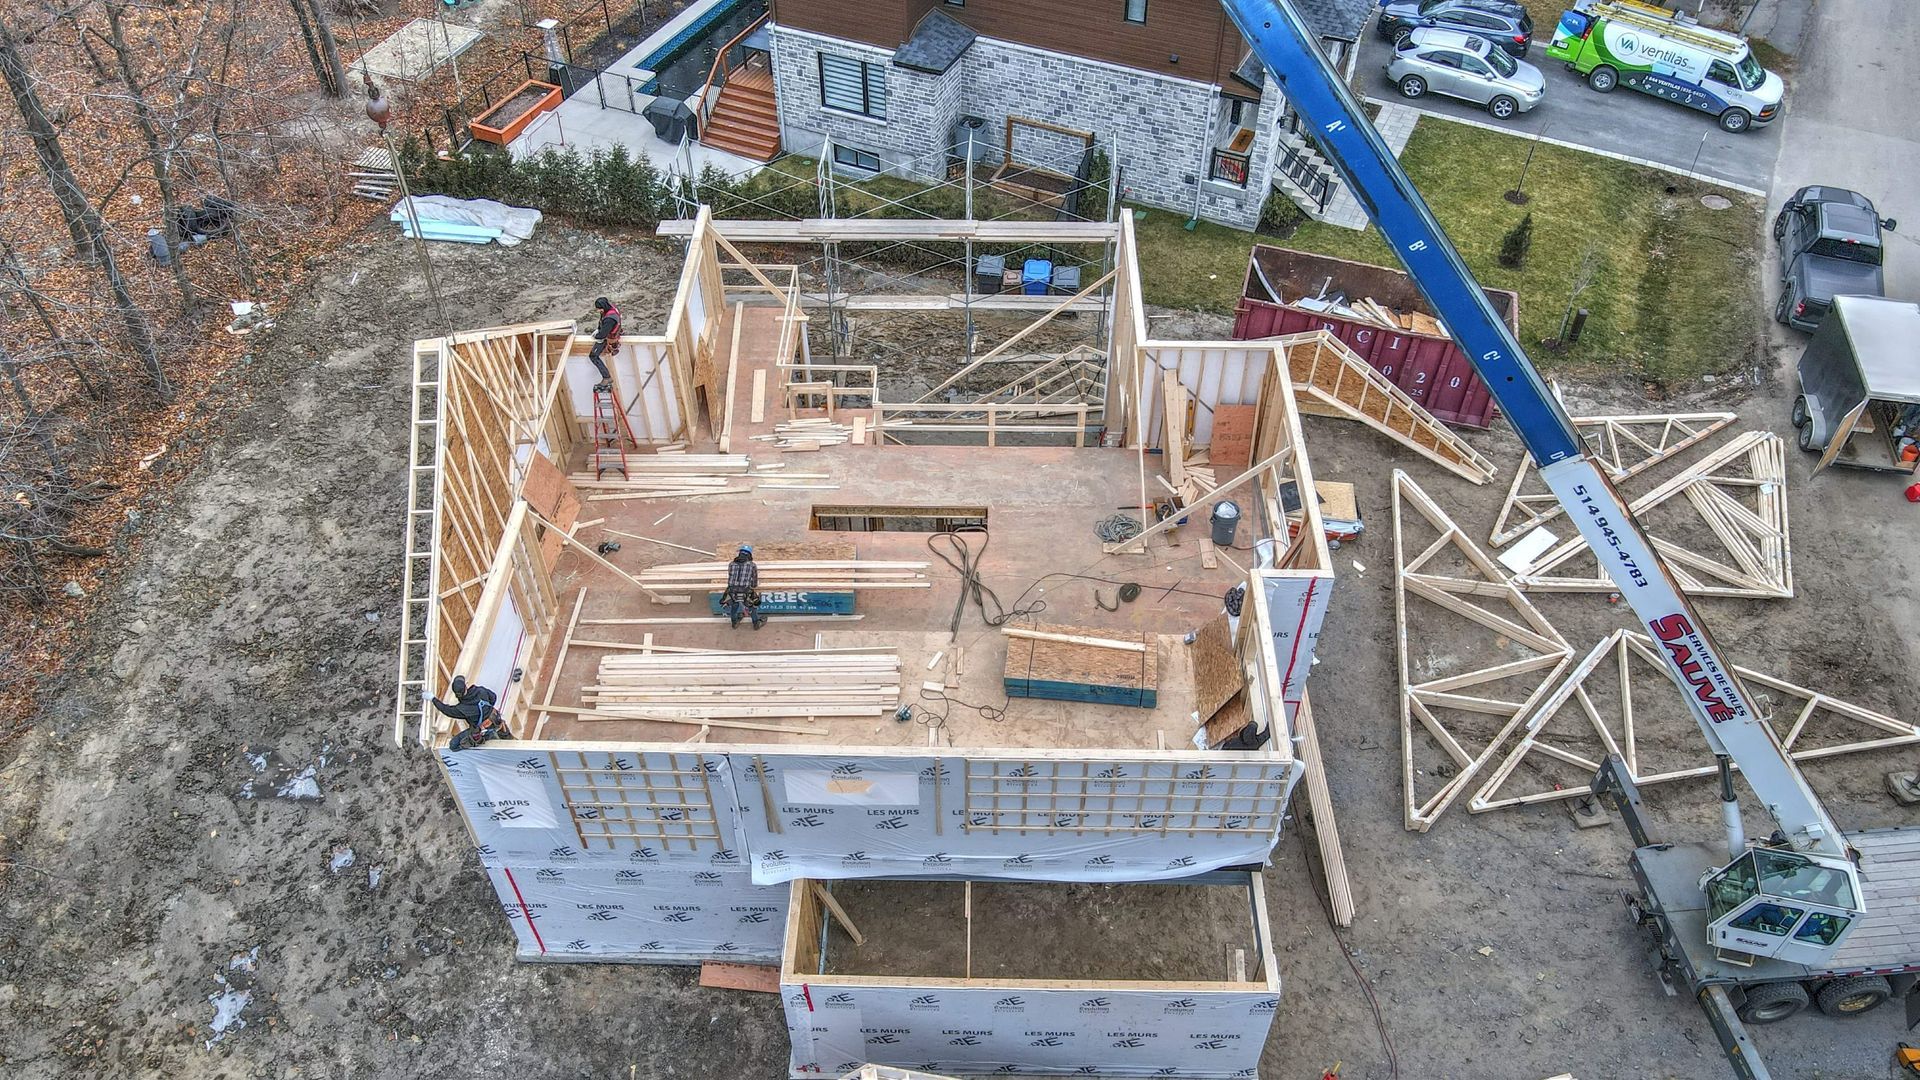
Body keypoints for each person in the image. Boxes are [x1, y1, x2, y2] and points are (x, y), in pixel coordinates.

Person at [433, 676, 511, 750]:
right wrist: (486, 710)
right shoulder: (480, 691)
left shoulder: (462, 709)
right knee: (504, 733)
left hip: (483, 729)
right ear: (466, 687)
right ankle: (506, 736)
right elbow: (493, 697)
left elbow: (446, 710)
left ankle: (487, 739)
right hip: (495, 718)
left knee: (453, 745)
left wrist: (433, 699)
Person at [722, 545, 765, 629]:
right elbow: (754, 582)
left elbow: (731, 577)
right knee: (752, 606)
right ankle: (756, 623)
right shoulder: (752, 565)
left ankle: (734, 622)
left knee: (734, 605)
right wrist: (753, 586)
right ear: (749, 555)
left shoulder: (731, 564)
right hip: (745, 591)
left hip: (732, 591)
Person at [587, 297, 622, 393]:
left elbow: (603, 334)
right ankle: (606, 377)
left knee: (593, 356)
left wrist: (597, 336)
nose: (598, 311)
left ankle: (606, 377)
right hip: (608, 333)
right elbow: (602, 320)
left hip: (609, 338)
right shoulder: (609, 309)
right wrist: (598, 329)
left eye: (599, 309)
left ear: (603, 307)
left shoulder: (609, 319)